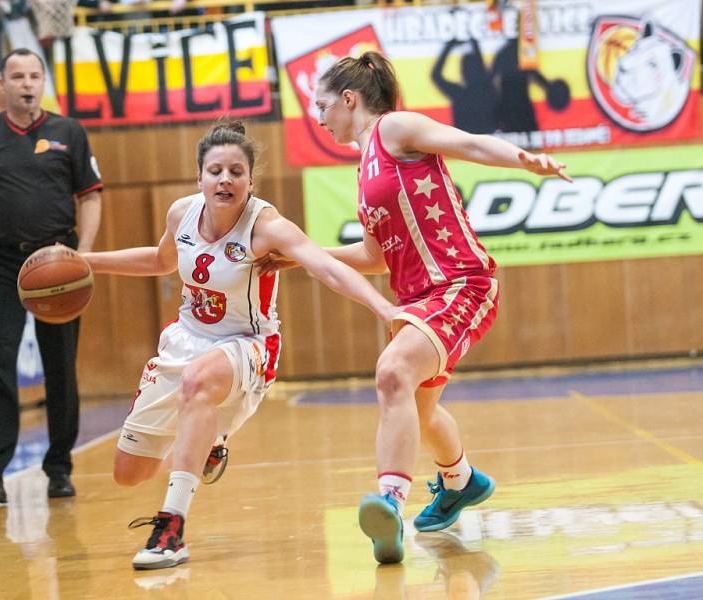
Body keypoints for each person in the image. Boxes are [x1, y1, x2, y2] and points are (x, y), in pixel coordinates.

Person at [259, 51, 570, 564]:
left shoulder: (394, 128)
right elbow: (374, 258)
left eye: (322, 105)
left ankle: (389, 504)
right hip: (420, 300)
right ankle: (461, 480)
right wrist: (301, 256)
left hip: (462, 284)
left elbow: (469, 142)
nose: (318, 116)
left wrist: (524, 159)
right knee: (419, 412)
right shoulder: (364, 170)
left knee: (393, 371)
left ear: (349, 99)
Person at [82, 121, 398, 571]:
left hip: (249, 344)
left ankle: (171, 527)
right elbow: (159, 260)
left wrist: (384, 310)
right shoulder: (181, 215)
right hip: (185, 340)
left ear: (250, 181)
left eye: (236, 171)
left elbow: (327, 268)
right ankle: (209, 440)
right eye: (215, 171)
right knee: (129, 473)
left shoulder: (267, 226)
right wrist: (85, 261)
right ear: (200, 178)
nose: (225, 179)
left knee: (198, 383)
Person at [0, 48, 103, 504]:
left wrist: (85, 255)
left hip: (59, 262)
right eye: (17, 76)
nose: (27, 83)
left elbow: (90, 196)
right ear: (3, 85)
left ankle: (59, 468)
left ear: (42, 82)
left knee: (60, 366)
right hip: (1, 263)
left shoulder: (68, 132)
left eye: (34, 75)